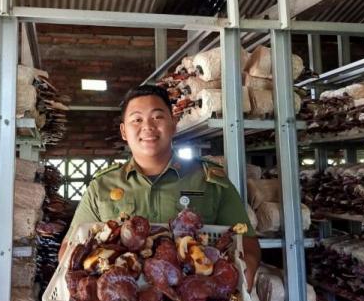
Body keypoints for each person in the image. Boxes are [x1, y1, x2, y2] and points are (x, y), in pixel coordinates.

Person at [61, 85, 261, 290]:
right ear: (123, 131)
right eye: (136, 119)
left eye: (157, 117)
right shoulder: (101, 186)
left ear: (174, 123)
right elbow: (70, 248)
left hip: (192, 300)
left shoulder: (209, 181)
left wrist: (246, 269)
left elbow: (246, 241)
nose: (147, 127)